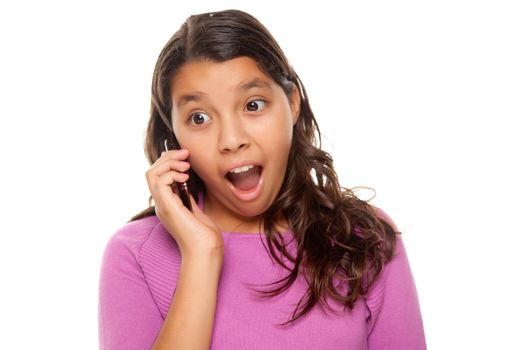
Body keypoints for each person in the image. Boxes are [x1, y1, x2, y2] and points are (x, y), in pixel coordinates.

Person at [98, 9, 426, 350]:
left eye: (253, 105)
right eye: (199, 117)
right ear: (174, 138)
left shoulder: (362, 238)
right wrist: (201, 255)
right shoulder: (135, 254)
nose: (231, 139)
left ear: (292, 104)